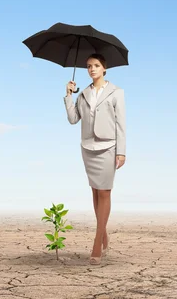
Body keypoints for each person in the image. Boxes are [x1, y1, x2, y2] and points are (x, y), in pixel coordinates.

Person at [64, 53, 126, 265]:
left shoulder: (116, 92)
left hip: (108, 146)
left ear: (104, 68)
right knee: (94, 191)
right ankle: (104, 232)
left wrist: (122, 151)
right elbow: (73, 119)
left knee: (105, 191)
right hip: (88, 148)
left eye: (96, 65)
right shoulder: (83, 95)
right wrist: (69, 96)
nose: (92, 69)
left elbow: (121, 124)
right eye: (89, 66)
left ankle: (97, 242)